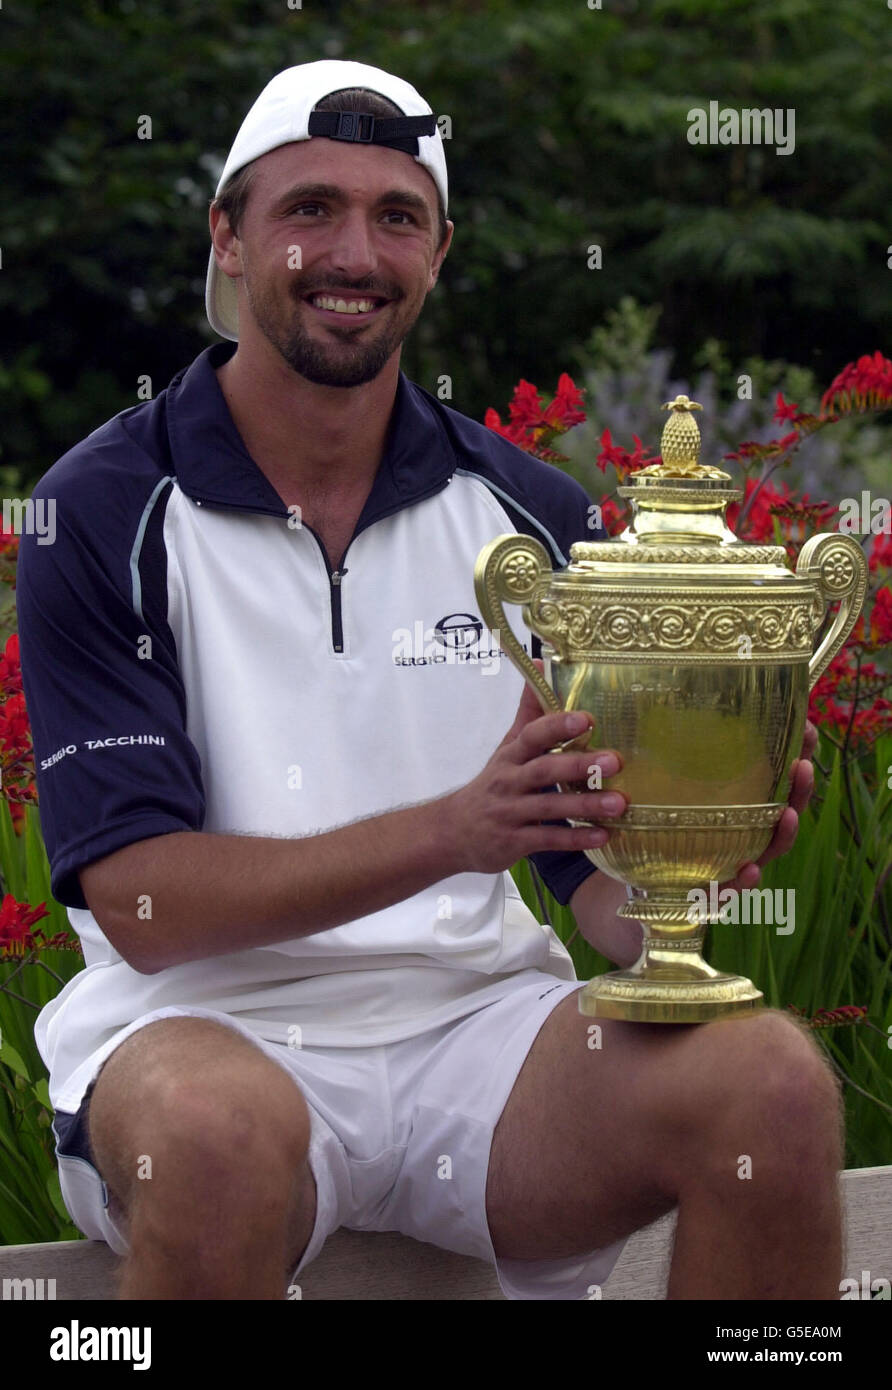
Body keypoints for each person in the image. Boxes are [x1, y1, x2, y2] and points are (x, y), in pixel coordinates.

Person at [16, 59, 842, 1302]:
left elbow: (592, 892)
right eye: (309, 210)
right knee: (214, 1136)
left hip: (481, 1041)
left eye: (396, 217)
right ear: (228, 239)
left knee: (769, 1086)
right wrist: (452, 832)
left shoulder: (534, 515)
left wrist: (688, 851)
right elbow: (143, 907)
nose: (355, 250)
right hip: (197, 1035)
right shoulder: (99, 508)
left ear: (437, 253)